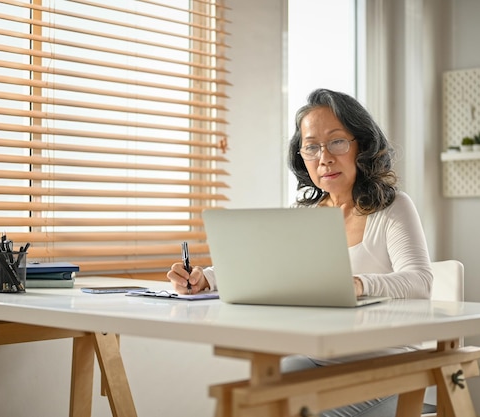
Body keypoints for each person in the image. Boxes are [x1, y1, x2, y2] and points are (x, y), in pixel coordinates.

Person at [166, 88, 434, 417]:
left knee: (294, 411)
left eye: (337, 141)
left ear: (361, 145)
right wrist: (205, 278)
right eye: (311, 147)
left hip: (387, 365)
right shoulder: (305, 213)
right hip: (317, 358)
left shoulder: (392, 207)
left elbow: (420, 281)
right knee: (245, 407)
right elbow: (267, 271)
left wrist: (358, 285)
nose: (324, 158)